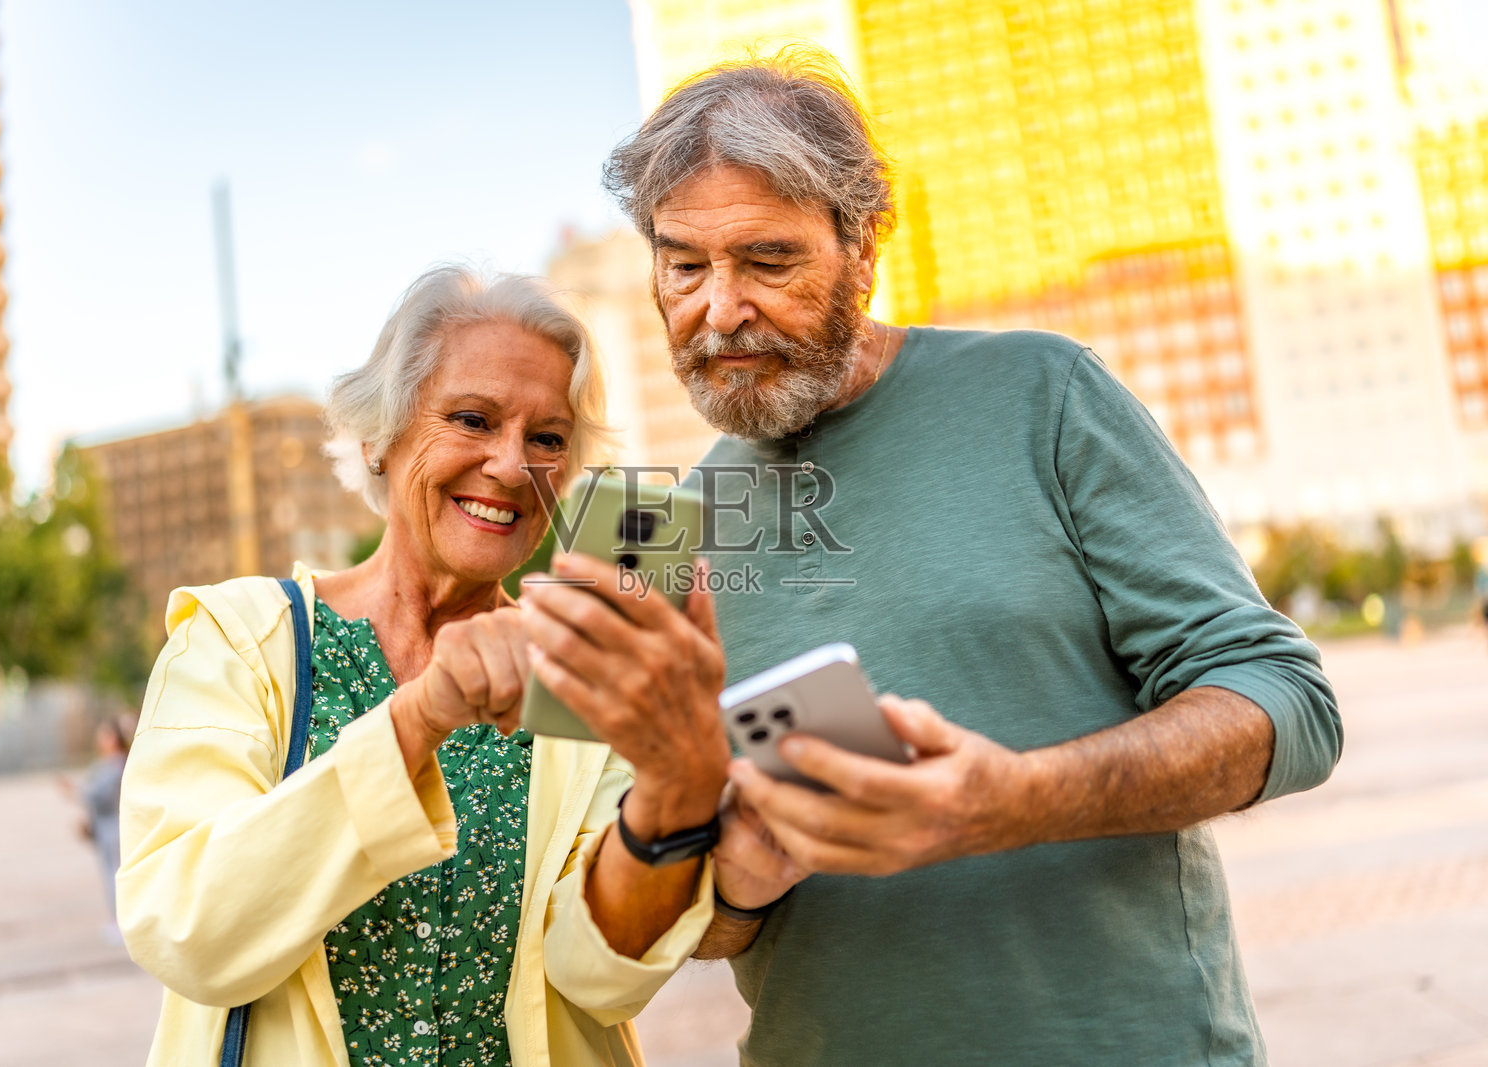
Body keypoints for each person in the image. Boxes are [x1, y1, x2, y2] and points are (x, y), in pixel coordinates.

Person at [523, 51, 1342, 1065]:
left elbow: (1288, 702)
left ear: (864, 244)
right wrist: (730, 880)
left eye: (768, 261)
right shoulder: (639, 536)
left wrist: (1019, 799)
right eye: (683, 265)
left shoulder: (1043, 393)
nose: (719, 310)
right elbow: (630, 942)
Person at [117, 266, 725, 1067]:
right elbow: (187, 929)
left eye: (547, 439)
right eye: (473, 419)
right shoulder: (238, 638)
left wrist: (675, 792)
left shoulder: (582, 665)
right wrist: (419, 718)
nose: (510, 465)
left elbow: (596, 977)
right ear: (378, 435)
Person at [60, 716, 132, 944]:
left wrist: (75, 790)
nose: (101, 739)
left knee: (115, 876)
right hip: (105, 828)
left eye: (105, 735)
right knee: (111, 875)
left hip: (114, 828)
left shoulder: (117, 764)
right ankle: (118, 921)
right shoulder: (107, 763)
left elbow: (98, 795)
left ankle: (121, 923)